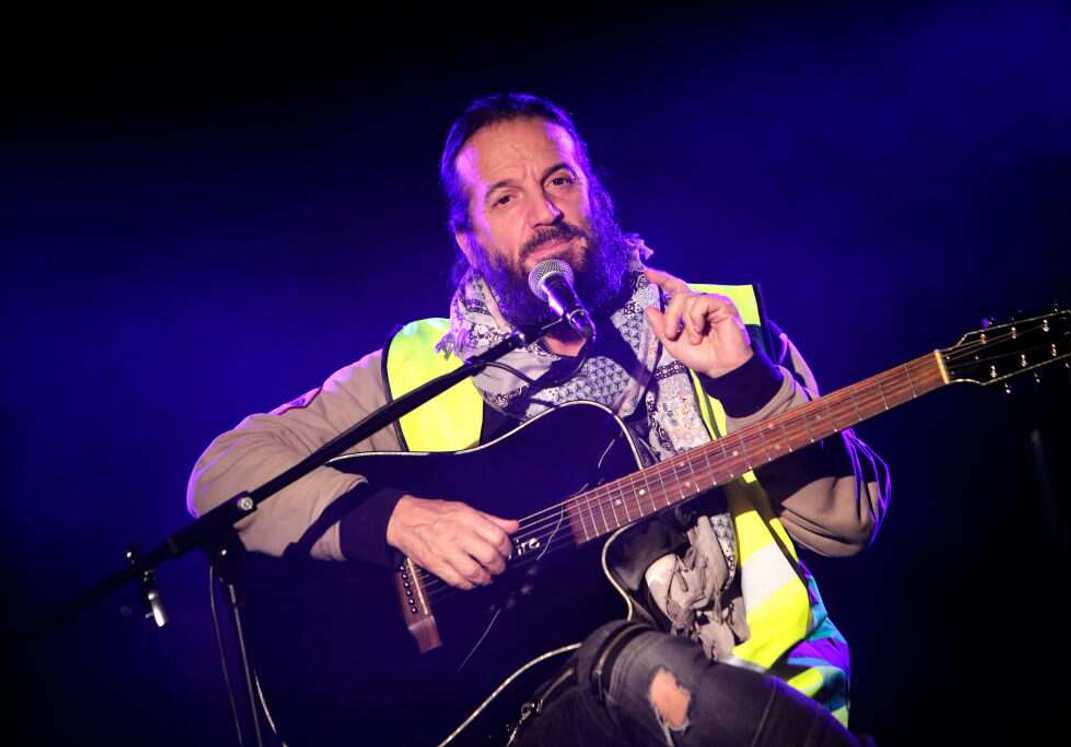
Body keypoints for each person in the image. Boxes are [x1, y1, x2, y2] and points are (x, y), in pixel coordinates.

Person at [188, 93, 889, 746]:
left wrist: (745, 380)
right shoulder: (423, 367)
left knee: (643, 664)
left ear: (595, 196)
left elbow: (849, 524)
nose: (544, 211)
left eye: (560, 181)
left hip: (768, 692)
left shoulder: (723, 326)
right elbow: (223, 474)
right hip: (543, 714)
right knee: (630, 661)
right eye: (505, 196)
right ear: (468, 240)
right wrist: (400, 518)